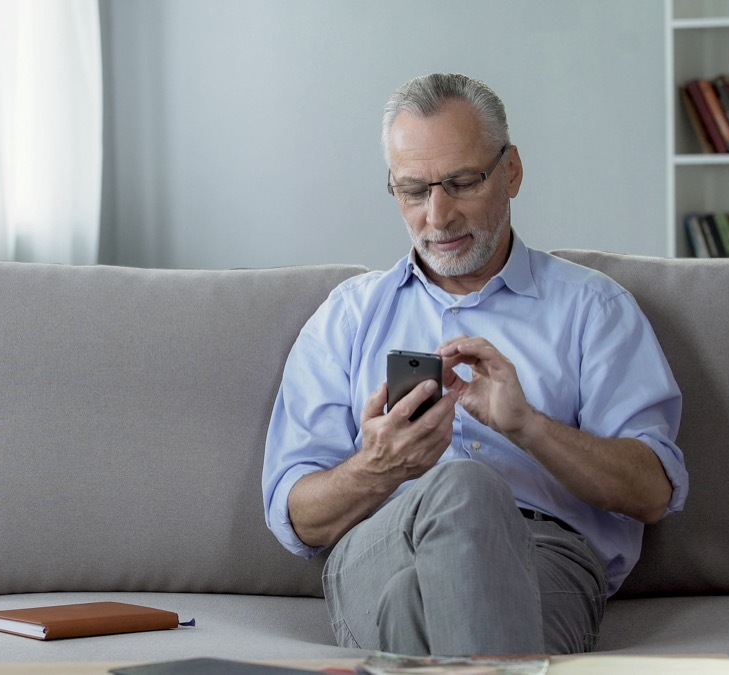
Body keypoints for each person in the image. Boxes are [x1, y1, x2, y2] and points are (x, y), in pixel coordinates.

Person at [261, 73, 688, 656]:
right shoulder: (347, 317)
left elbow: (652, 492)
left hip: (545, 558)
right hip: (383, 549)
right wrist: (378, 468)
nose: (438, 216)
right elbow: (297, 519)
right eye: (414, 191)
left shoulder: (594, 308)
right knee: (460, 489)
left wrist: (528, 427)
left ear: (511, 171)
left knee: (414, 603)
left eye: (461, 183)